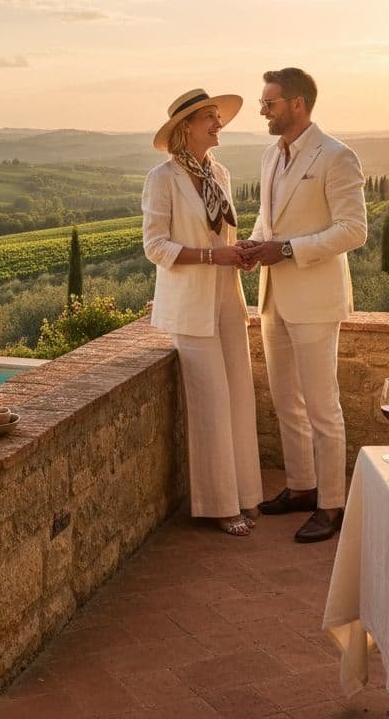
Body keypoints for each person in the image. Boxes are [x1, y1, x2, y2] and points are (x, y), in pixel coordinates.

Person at [238, 68, 367, 544]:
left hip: (314, 299)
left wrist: (287, 249)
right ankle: (300, 486)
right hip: (273, 295)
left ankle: (332, 504)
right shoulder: (273, 155)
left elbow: (354, 230)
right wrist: (254, 246)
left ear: (297, 104)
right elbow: (266, 217)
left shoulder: (337, 156)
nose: (262, 111)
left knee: (321, 406)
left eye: (269, 103)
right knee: (285, 400)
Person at [142, 88, 263, 537]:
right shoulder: (163, 178)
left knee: (238, 396)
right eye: (209, 118)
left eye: (217, 116)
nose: (218, 124)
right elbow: (155, 246)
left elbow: (222, 238)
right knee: (211, 402)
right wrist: (214, 258)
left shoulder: (221, 174)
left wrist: (240, 251)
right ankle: (218, 505)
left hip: (227, 300)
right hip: (191, 305)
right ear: (185, 128)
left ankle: (245, 494)